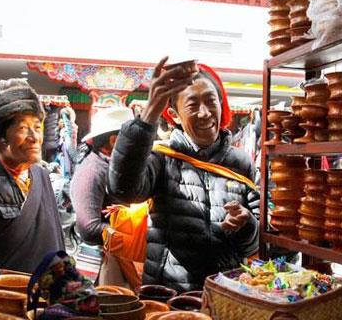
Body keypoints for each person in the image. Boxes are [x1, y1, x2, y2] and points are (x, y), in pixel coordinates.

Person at [108, 57, 259, 292]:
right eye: (192, 105)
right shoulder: (162, 158)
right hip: (169, 293)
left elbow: (255, 244)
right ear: (174, 115)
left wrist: (247, 225)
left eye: (211, 102)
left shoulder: (241, 163)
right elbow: (123, 190)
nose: (205, 113)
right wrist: (148, 116)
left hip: (227, 293)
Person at [0, 79, 65, 286]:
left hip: (43, 295)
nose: (35, 137)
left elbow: (53, 242)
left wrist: (69, 288)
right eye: (24, 128)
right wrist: (6, 288)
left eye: (37, 127)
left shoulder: (40, 174)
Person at [70, 107, 140, 287]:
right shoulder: (92, 171)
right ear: (114, 141)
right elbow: (89, 227)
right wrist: (134, 238)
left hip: (118, 256)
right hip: (104, 265)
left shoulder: (111, 168)